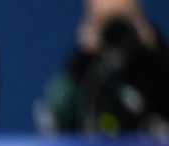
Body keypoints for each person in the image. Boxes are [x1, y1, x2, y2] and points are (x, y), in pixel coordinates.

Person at [36, 0, 169, 136]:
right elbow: (54, 118)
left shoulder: (154, 56)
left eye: (122, 19)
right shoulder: (84, 64)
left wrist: (153, 53)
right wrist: (81, 58)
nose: (115, 30)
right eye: (104, 20)